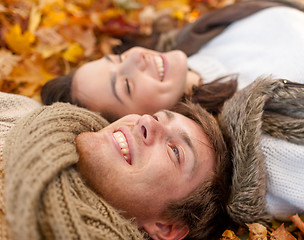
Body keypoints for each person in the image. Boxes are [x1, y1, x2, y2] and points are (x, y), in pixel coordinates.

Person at [1, 91, 232, 240]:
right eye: (157, 117)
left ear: (167, 228)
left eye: (175, 151)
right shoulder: (22, 111)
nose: (146, 121)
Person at [41, 0, 304, 121]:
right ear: (144, 122)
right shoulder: (254, 126)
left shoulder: (200, 35)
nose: (136, 59)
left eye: (117, 59)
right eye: (126, 85)